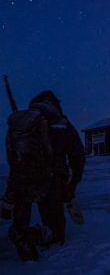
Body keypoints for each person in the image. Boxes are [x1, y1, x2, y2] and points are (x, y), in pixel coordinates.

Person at [3, 90, 85, 260]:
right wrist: (72, 185)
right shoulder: (61, 122)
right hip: (52, 180)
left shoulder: (20, 123)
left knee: (20, 219)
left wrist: (12, 188)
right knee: (56, 231)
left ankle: (19, 234)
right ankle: (33, 236)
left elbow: (12, 158)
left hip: (21, 179)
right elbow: (77, 155)